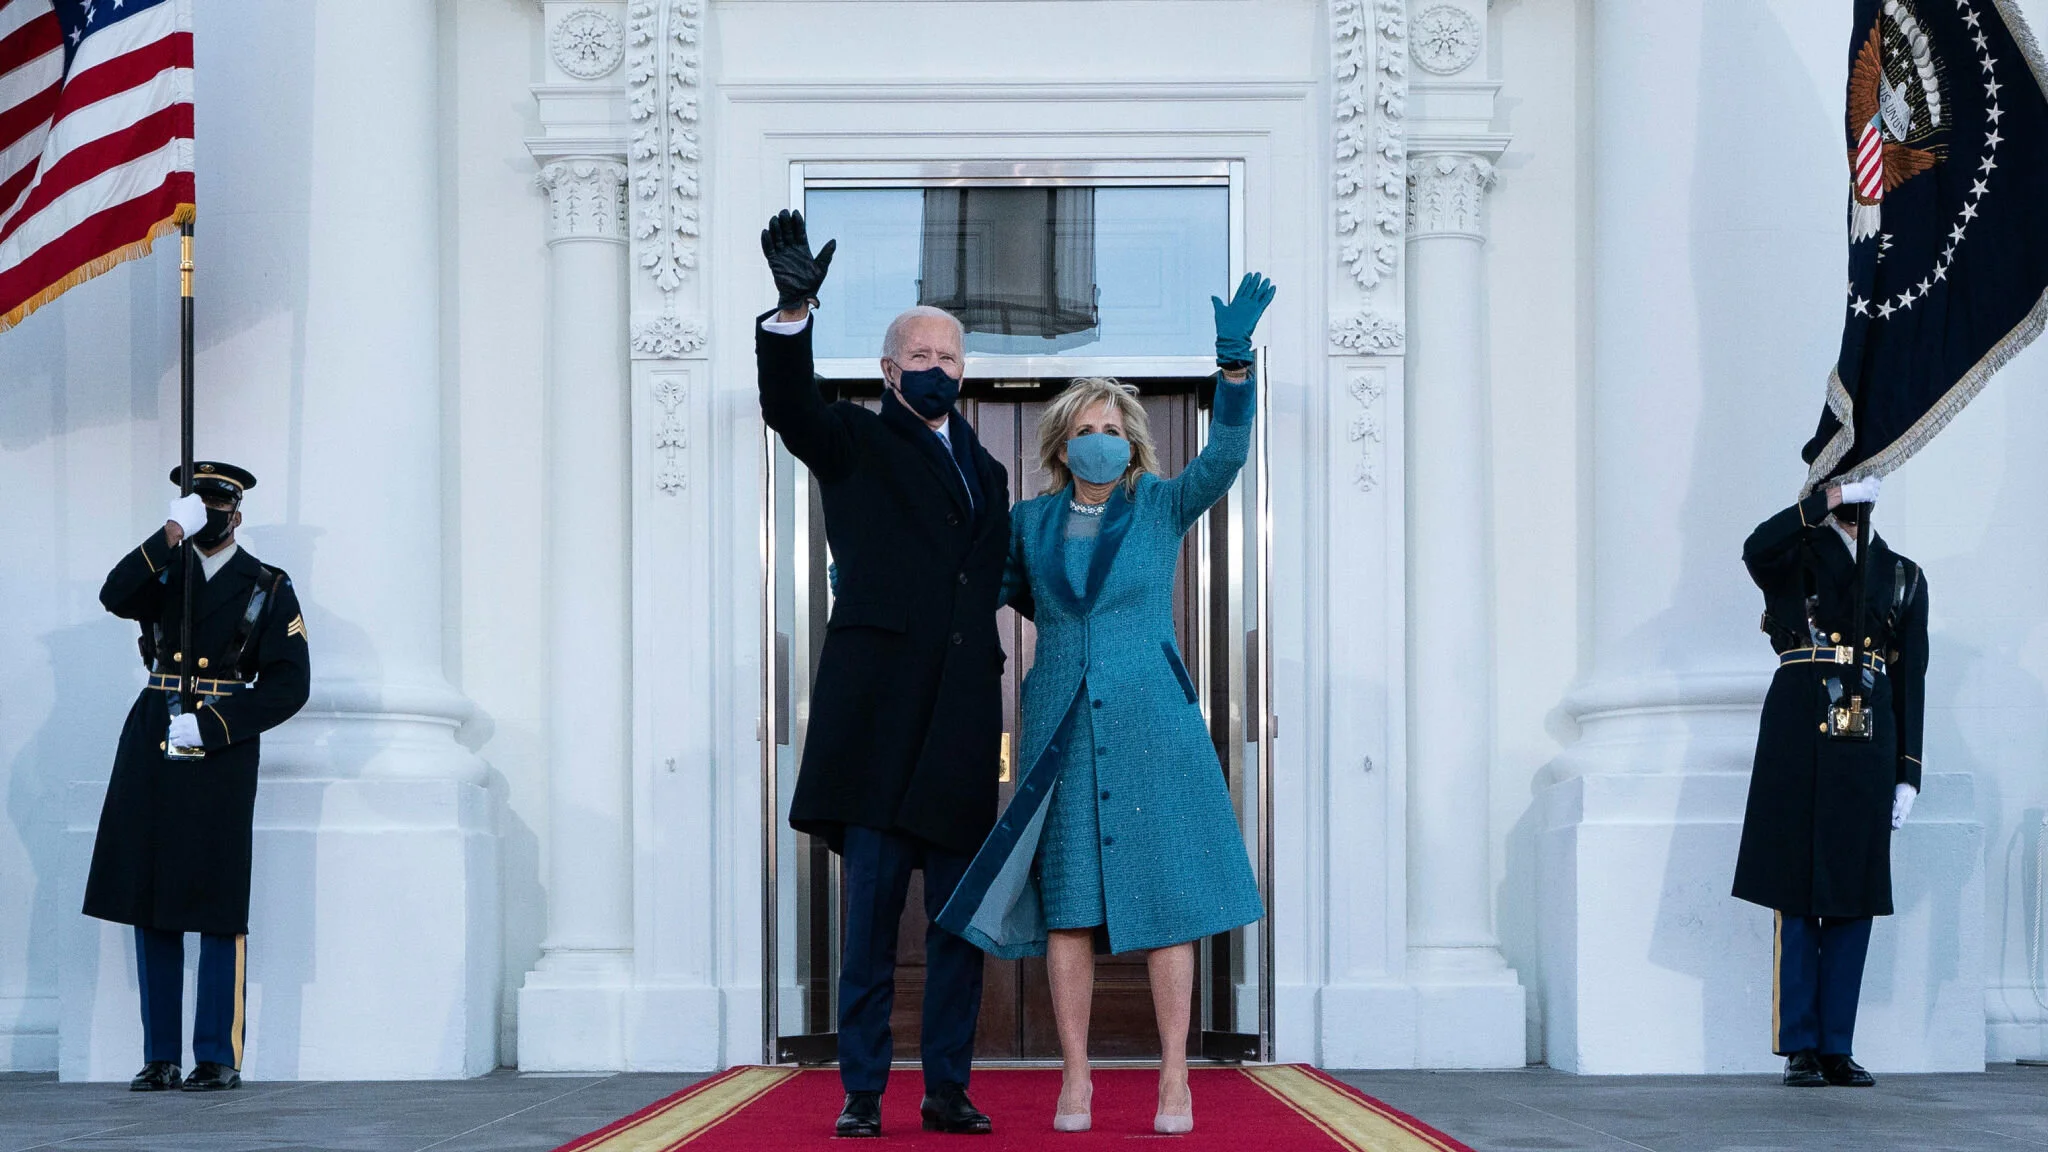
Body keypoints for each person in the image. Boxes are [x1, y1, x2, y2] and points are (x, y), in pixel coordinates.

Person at [937, 273, 1276, 1136]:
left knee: (1166, 901)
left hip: (1152, 723)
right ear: (1061, 445)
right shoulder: (1031, 522)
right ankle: (1076, 1078)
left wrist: (1233, 369)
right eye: (1083, 430)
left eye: (1111, 428)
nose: (1098, 440)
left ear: (1132, 441)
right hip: (1058, 725)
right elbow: (1002, 590)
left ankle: (1173, 1077)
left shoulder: (1160, 505)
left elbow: (1226, 458)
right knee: (1070, 907)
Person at [755, 210, 1011, 1138]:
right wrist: (792, 313)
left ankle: (947, 1087)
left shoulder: (988, 469)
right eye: (920, 352)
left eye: (951, 352)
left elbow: (995, 579)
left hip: (956, 735)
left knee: (957, 930)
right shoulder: (856, 440)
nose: (938, 363)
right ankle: (863, 1092)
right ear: (890, 369)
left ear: (962, 370)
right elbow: (790, 407)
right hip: (875, 732)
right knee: (866, 933)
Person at [82, 462, 312, 1092]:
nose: (210, 517)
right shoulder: (165, 571)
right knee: (149, 892)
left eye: (218, 509)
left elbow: (291, 684)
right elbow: (112, 594)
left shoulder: (267, 584)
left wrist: (214, 726)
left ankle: (216, 1055)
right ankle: (160, 1055)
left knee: (214, 894)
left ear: (237, 515)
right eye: (198, 507)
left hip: (219, 741)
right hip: (155, 730)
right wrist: (166, 536)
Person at [1732, 475, 1927, 1088]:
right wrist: (1825, 505)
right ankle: (1800, 1047)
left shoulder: (1902, 574)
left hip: (1867, 733)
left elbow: (1912, 674)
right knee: (1795, 889)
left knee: (1853, 892)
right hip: (1798, 725)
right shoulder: (1795, 554)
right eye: (1842, 487)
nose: (1854, 500)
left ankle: (1837, 1045)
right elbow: (1755, 546)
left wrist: (1909, 774)